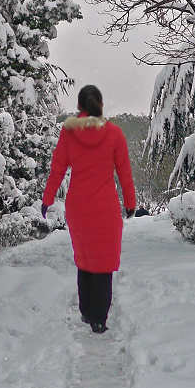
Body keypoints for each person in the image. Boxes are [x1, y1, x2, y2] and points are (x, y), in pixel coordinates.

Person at [41, 85, 135, 334]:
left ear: (80, 107)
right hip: (105, 208)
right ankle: (99, 319)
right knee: (103, 263)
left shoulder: (68, 134)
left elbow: (57, 169)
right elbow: (125, 173)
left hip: (79, 208)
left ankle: (86, 310)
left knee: (85, 260)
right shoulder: (115, 134)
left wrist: (47, 198)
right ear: (100, 105)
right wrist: (131, 203)